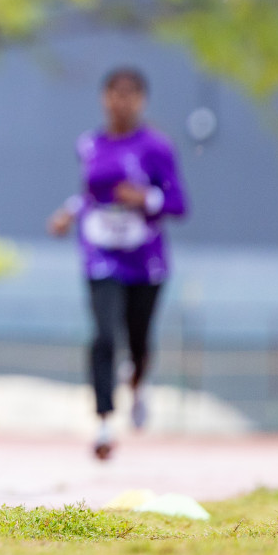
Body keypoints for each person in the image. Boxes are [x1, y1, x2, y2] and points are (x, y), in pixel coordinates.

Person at [48, 67, 187, 461]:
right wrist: (68, 212)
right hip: (101, 252)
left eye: (130, 94)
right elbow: (90, 195)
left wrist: (146, 199)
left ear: (142, 100)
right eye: (114, 93)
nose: (121, 101)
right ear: (104, 97)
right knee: (104, 335)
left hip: (145, 258)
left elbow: (179, 204)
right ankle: (105, 420)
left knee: (138, 339)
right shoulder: (89, 144)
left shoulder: (157, 147)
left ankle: (139, 384)